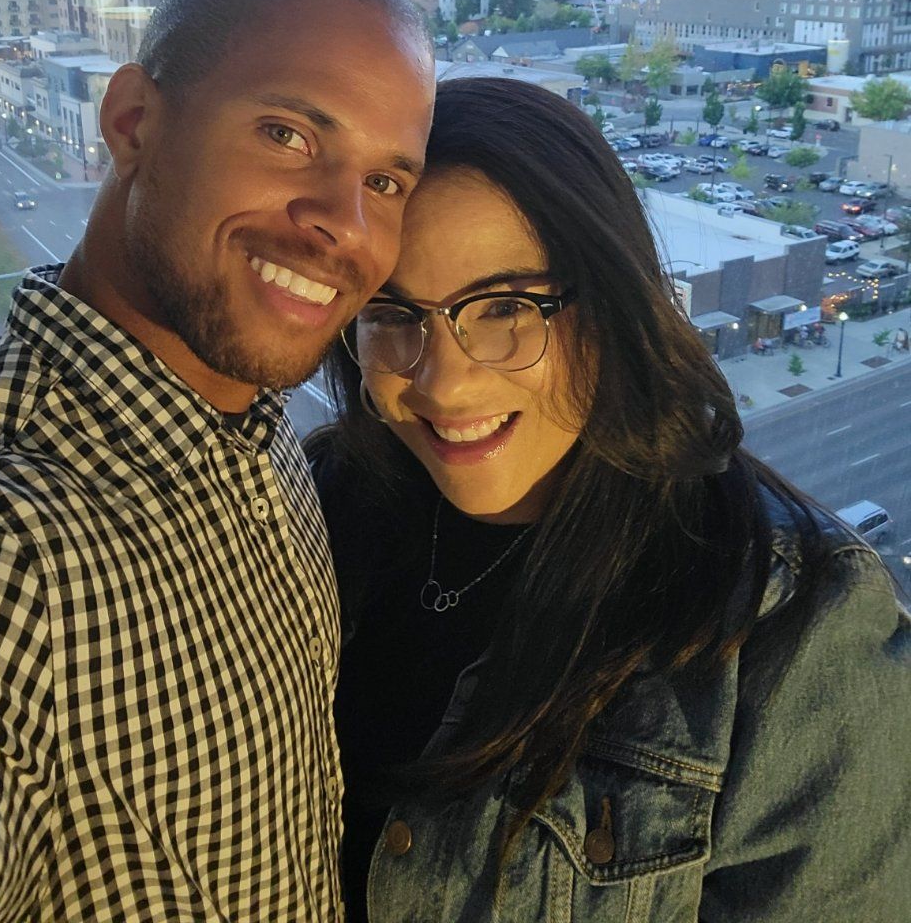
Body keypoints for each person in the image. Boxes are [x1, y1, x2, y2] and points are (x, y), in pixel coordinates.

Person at [0, 0, 436, 921]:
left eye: (388, 181)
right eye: (285, 134)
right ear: (132, 122)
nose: (343, 223)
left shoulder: (261, 432)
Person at [310, 76, 911, 923]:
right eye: (393, 313)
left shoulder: (792, 627)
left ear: (613, 303)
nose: (441, 381)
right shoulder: (314, 504)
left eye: (505, 307)